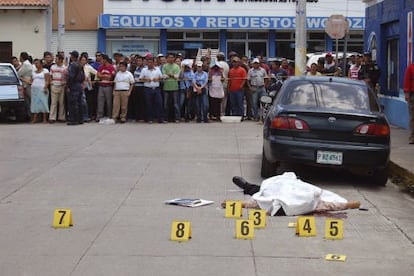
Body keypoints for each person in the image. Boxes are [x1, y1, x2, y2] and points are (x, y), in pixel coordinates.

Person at [225, 172, 361, 216]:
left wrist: (235, 204)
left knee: (263, 192)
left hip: (281, 197)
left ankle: (247, 186)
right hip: (285, 187)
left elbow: (256, 203)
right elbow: (332, 204)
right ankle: (247, 186)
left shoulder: (313, 201)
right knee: (268, 188)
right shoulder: (313, 197)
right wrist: (349, 205)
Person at [139, 57, 165, 123]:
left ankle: (160, 118)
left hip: (156, 88)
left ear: (153, 63)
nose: (149, 64)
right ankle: (150, 118)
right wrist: (146, 79)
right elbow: (140, 79)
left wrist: (158, 79)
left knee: (159, 103)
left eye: (151, 62)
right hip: (147, 88)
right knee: (148, 104)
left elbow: (161, 78)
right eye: (148, 62)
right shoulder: (144, 70)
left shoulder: (157, 69)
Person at [66, 51, 85, 125]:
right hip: (79, 85)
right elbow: (83, 76)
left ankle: (74, 119)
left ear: (73, 56)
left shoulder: (72, 65)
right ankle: (80, 119)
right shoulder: (80, 64)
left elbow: (71, 76)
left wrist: (68, 86)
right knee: (80, 102)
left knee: (73, 103)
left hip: (73, 85)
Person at [162, 53, 181, 122]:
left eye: (172, 57)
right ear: (167, 58)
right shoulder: (164, 66)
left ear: (174, 58)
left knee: (176, 104)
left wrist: (170, 75)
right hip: (166, 87)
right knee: (165, 104)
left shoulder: (177, 66)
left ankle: (177, 118)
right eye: (169, 57)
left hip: (175, 87)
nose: (171, 59)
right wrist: (172, 75)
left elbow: (177, 76)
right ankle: (165, 118)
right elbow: (164, 76)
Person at [96, 54, 116, 121]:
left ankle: (109, 115)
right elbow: (98, 75)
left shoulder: (111, 67)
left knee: (109, 102)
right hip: (101, 86)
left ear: (105, 60)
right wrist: (105, 75)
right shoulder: (100, 67)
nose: (100, 61)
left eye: (101, 59)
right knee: (100, 102)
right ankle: (99, 116)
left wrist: (103, 75)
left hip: (108, 87)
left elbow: (110, 77)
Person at [30, 59, 50, 123]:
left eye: (37, 63)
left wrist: (45, 87)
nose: (36, 65)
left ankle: (44, 119)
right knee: (35, 103)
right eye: (35, 63)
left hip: (42, 89)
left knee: (43, 103)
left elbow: (47, 80)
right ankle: (35, 119)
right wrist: (21, 78)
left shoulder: (45, 71)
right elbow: (31, 81)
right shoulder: (33, 72)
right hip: (34, 89)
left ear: (41, 64)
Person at [49, 54, 67, 123]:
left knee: (61, 102)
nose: (55, 60)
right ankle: (52, 118)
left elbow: (66, 77)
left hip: (62, 86)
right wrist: (51, 82)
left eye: (56, 59)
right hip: (54, 85)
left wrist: (65, 84)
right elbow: (50, 76)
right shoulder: (52, 67)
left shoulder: (65, 68)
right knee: (53, 102)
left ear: (60, 60)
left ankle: (61, 117)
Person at [403, 63, 414, 144]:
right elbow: (407, 81)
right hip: (413, 95)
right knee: (413, 117)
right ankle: (412, 137)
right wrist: (407, 93)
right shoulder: (411, 68)